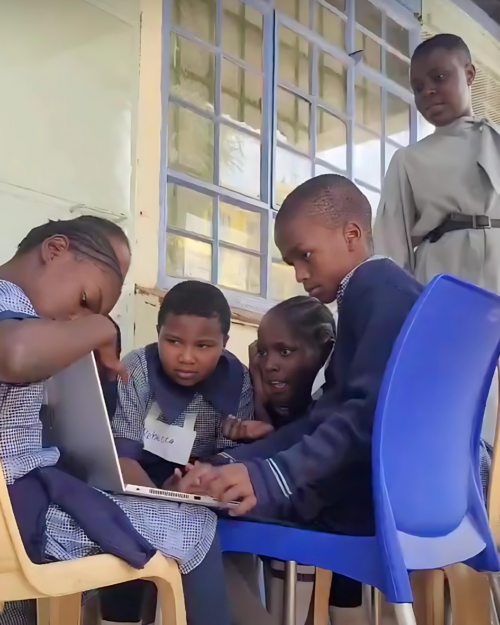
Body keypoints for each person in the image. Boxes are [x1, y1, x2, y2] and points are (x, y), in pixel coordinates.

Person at [173, 174, 422, 625]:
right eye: (291, 263)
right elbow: (325, 420)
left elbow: (366, 418)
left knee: (188, 523)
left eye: (305, 256)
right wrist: (236, 463)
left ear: (352, 235)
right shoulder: (383, 296)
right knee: (215, 499)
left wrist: (269, 479)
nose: (300, 275)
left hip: (368, 503)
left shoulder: (376, 290)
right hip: (405, 497)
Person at [0, 216, 231, 625]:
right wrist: (100, 325)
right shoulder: (10, 304)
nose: (77, 318)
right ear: (54, 250)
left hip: (16, 512)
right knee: (196, 528)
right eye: (86, 299)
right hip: (13, 517)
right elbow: (14, 355)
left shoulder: (30, 318)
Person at [101, 279, 254, 625]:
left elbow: (232, 461)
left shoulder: (238, 382)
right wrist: (165, 496)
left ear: (224, 344)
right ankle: (119, 617)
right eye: (173, 342)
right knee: (124, 523)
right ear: (158, 333)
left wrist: (196, 485)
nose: (186, 357)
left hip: (201, 488)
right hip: (138, 482)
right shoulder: (137, 367)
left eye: (203, 346)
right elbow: (123, 458)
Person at [373, 33, 500, 443]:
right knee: (457, 388)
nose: (428, 91)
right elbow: (391, 244)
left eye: (439, 77)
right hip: (447, 277)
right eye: (417, 87)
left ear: (468, 75)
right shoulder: (409, 160)